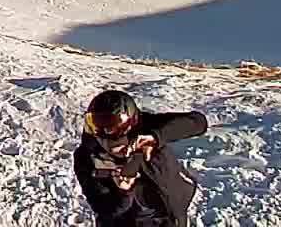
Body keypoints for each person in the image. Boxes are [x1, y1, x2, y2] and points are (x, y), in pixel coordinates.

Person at [75, 90, 207, 226]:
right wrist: (124, 193)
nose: (105, 132)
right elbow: (103, 209)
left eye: (113, 125)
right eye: (96, 124)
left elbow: (198, 122)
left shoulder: (144, 126)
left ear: (131, 123)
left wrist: (156, 137)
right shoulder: (87, 157)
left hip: (170, 214)